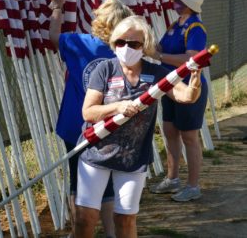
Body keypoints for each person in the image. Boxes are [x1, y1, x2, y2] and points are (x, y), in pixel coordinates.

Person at [74, 15, 203, 238]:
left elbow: (186, 96)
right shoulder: (104, 69)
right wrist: (117, 107)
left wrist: (195, 81)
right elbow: (88, 112)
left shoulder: (156, 74)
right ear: (113, 44)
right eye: (120, 42)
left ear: (145, 46)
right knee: (85, 219)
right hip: (96, 153)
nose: (126, 48)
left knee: (125, 220)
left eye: (134, 44)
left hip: (133, 157)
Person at [49, 0, 134, 237]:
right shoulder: (124, 52)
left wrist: (57, 7)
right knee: (106, 181)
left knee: (77, 182)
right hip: (108, 126)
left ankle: (79, 232)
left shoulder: (79, 43)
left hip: (75, 125)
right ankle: (109, 233)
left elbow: (54, 35)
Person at [149, 0, 208, 202]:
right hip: (170, 86)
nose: (174, 2)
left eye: (179, 0)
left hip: (190, 87)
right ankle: (172, 178)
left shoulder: (196, 28)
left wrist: (158, 57)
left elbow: (191, 59)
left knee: (190, 136)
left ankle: (193, 186)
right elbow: (161, 47)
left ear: (189, 5)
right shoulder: (176, 23)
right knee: (170, 131)